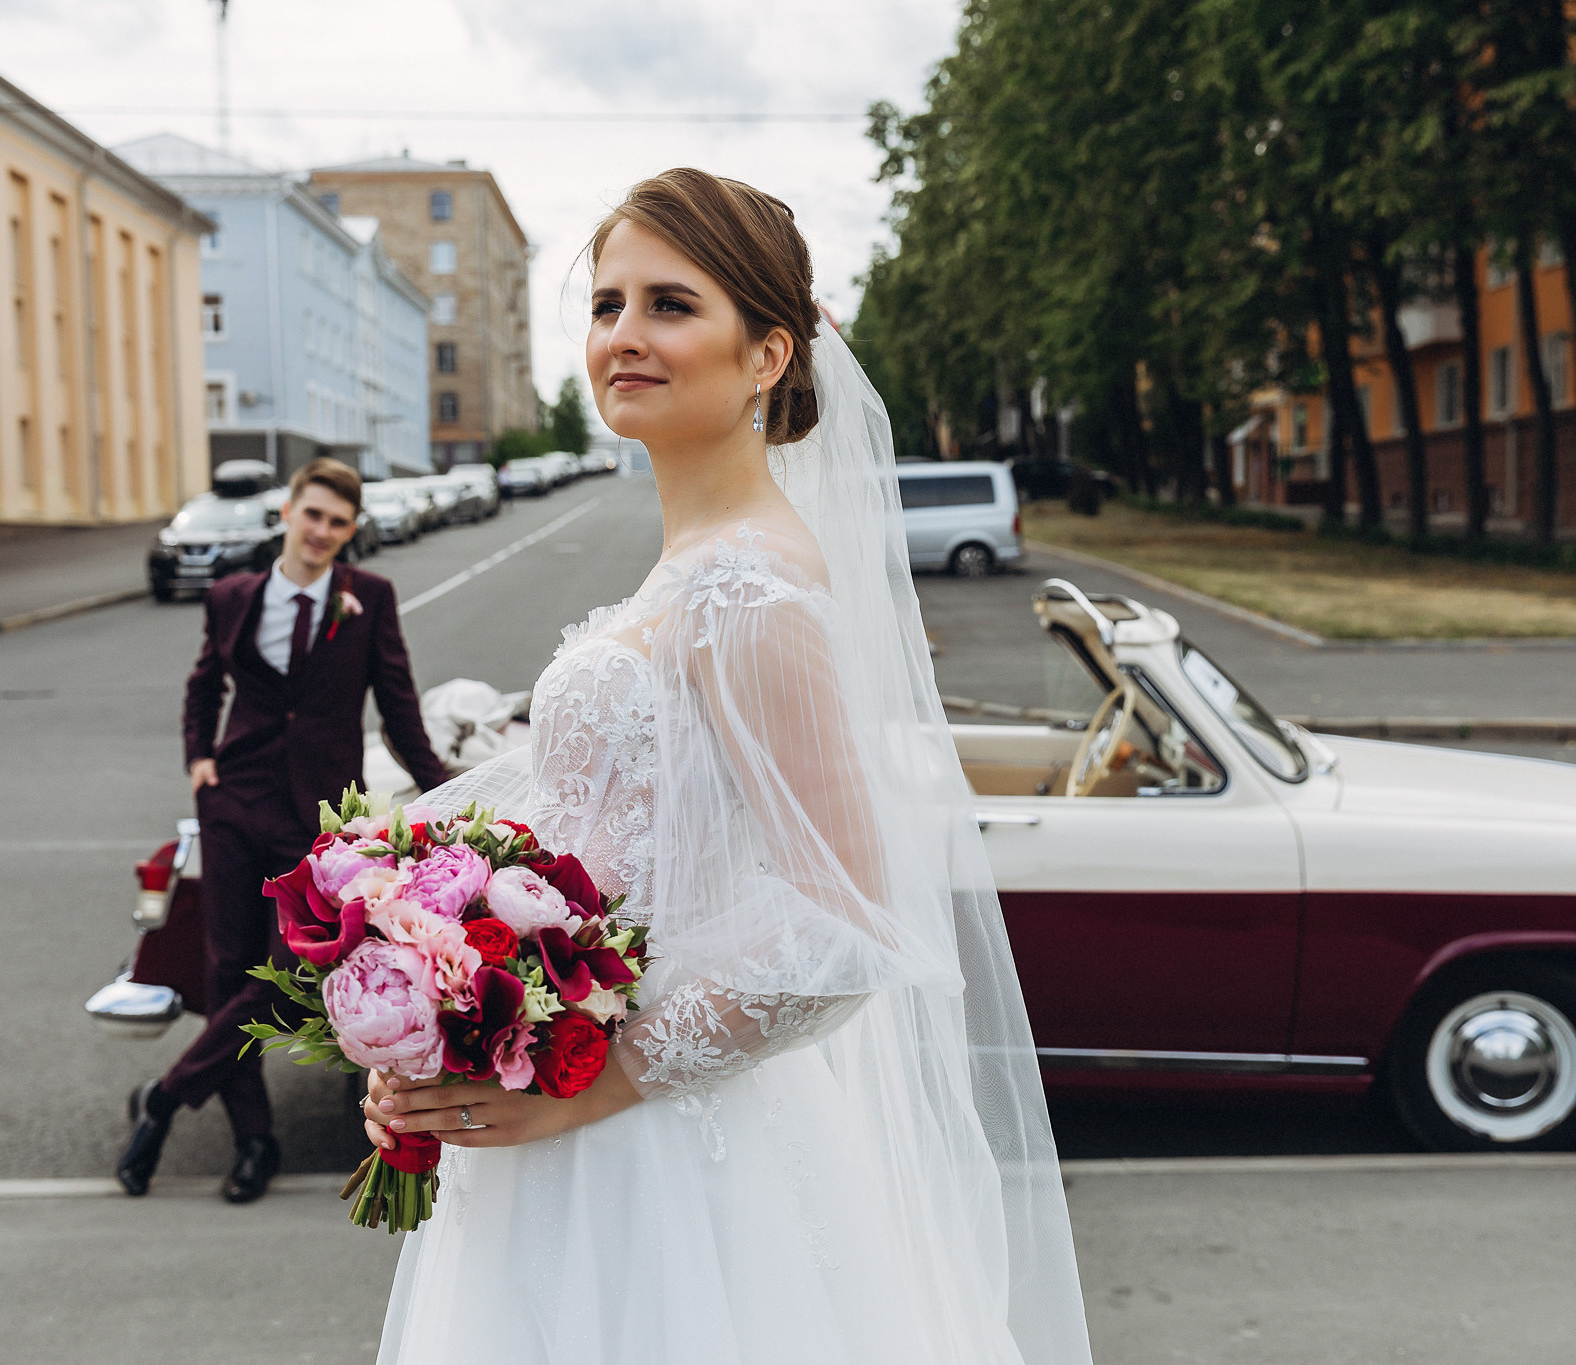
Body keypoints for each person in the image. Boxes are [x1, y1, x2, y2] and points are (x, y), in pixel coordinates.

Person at [360, 170, 1092, 1363]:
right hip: (570, 1135)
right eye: (604, 306)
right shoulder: (688, 567)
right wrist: (439, 1013)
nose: (623, 338)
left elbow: (846, 922)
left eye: (668, 304)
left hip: (664, 1164)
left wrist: (598, 1083)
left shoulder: (749, 590)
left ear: (766, 356)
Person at [118, 457, 451, 1203]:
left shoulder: (370, 598)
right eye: (313, 515)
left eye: (338, 522)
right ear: (288, 514)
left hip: (316, 819)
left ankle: (165, 1098)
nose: (323, 532)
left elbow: (397, 707)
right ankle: (254, 1142)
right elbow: (205, 681)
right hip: (235, 803)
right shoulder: (235, 596)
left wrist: (444, 790)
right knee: (226, 972)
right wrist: (199, 759)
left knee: (290, 973)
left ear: (350, 530)